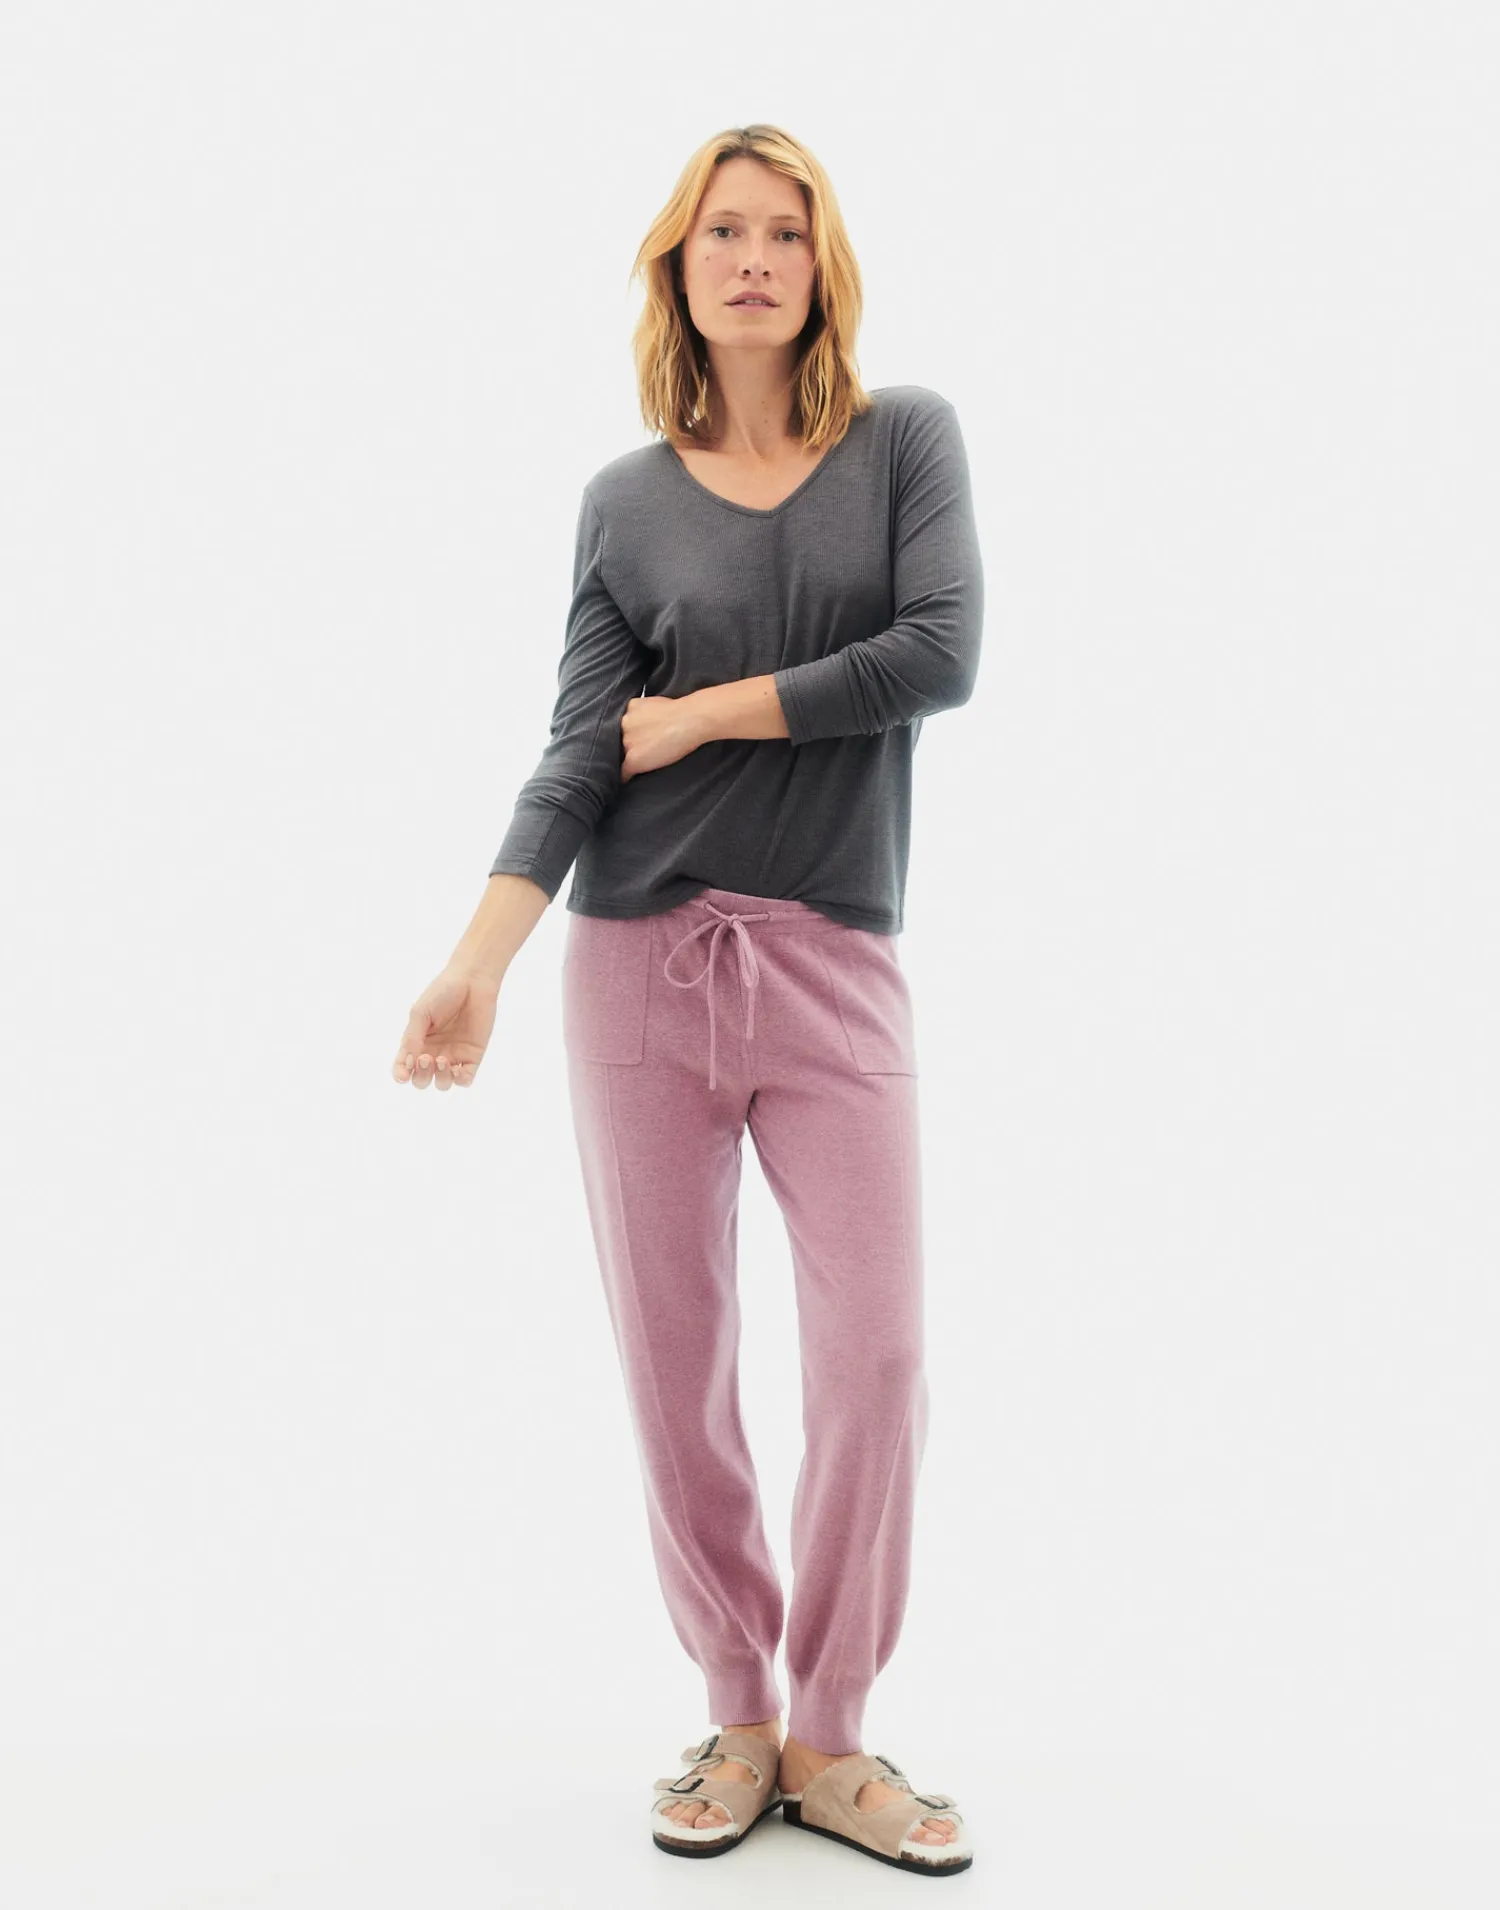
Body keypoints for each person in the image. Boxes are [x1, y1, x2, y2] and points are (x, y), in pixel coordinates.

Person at [391, 123, 983, 1876]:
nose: (753, 258)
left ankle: (832, 1730)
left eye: (784, 232)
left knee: (878, 1354)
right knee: (677, 1363)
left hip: (834, 958)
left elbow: (939, 653)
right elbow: (583, 748)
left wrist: (709, 711)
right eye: (723, 230)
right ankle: (738, 1711)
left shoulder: (906, 441)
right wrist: (477, 959)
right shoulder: (624, 500)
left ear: (822, 265)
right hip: (640, 963)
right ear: (679, 264)